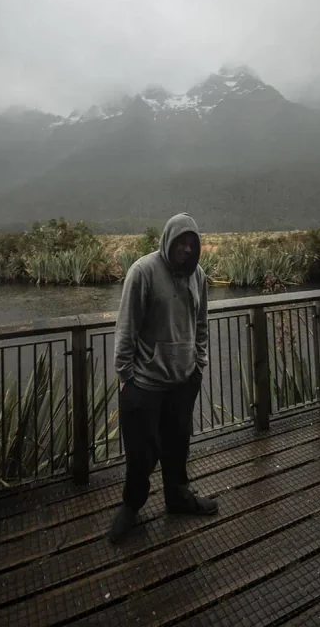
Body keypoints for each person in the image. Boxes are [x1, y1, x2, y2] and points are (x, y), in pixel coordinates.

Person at [110, 213, 218, 544]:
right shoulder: (143, 272)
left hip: (184, 380)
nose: (186, 249)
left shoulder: (197, 275)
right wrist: (126, 375)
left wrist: (199, 362)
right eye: (180, 242)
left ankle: (178, 497)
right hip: (145, 383)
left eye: (192, 243)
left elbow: (201, 323)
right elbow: (126, 326)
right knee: (140, 451)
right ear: (167, 241)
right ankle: (131, 506)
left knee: (177, 443)